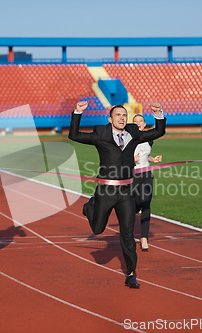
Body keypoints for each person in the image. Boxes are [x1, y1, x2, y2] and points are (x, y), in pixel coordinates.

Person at [69, 101, 165, 288]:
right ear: (110, 119)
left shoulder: (134, 134)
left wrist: (159, 115)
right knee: (97, 229)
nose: (122, 118)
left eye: (124, 115)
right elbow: (74, 135)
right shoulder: (101, 133)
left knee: (128, 234)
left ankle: (131, 274)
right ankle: (90, 206)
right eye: (118, 115)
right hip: (105, 191)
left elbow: (158, 132)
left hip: (126, 192)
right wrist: (77, 113)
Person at [132, 114, 162, 251]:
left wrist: (152, 159)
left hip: (146, 175)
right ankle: (129, 234)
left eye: (140, 121)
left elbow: (145, 154)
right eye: (135, 121)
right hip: (132, 176)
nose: (138, 123)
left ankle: (144, 237)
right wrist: (131, 159)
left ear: (144, 124)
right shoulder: (128, 139)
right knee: (134, 206)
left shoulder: (149, 140)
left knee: (146, 203)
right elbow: (119, 157)